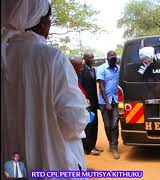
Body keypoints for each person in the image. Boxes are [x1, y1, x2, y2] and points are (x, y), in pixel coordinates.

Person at [1, 0, 89, 177]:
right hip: (51, 163)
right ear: (41, 24)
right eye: (50, 19)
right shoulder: (52, 58)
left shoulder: (4, 57)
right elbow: (73, 121)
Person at [96, 50, 120, 159]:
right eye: (111, 59)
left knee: (114, 125)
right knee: (107, 125)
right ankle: (110, 142)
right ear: (107, 58)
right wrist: (107, 103)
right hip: (104, 102)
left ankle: (115, 146)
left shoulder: (118, 68)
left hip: (116, 101)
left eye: (114, 58)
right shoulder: (101, 69)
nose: (113, 60)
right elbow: (101, 86)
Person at [79, 53, 102, 155]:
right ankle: (88, 148)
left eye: (93, 57)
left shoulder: (92, 69)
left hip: (94, 103)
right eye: (90, 58)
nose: (92, 59)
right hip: (87, 103)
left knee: (94, 124)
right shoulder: (82, 70)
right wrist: (85, 99)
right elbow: (80, 86)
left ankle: (93, 145)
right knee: (88, 125)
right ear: (85, 59)